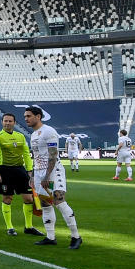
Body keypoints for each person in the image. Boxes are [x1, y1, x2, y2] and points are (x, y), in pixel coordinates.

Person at [23, 106, 82, 249]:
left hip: (54, 171)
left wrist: (47, 176)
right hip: (39, 172)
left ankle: (76, 237)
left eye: (29, 116)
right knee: (45, 204)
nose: (26, 119)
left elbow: (53, 155)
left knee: (59, 200)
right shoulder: (34, 134)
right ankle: (50, 237)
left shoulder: (49, 132)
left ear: (38, 116)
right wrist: (33, 175)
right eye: (25, 116)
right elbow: (37, 156)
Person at [0, 113, 44, 236]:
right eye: (5, 121)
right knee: (7, 198)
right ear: (2, 122)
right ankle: (10, 227)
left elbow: (26, 153)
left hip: (20, 170)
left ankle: (28, 227)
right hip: (5, 170)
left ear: (14, 123)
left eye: (10, 121)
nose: (7, 123)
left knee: (29, 198)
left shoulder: (20, 136)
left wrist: (29, 170)